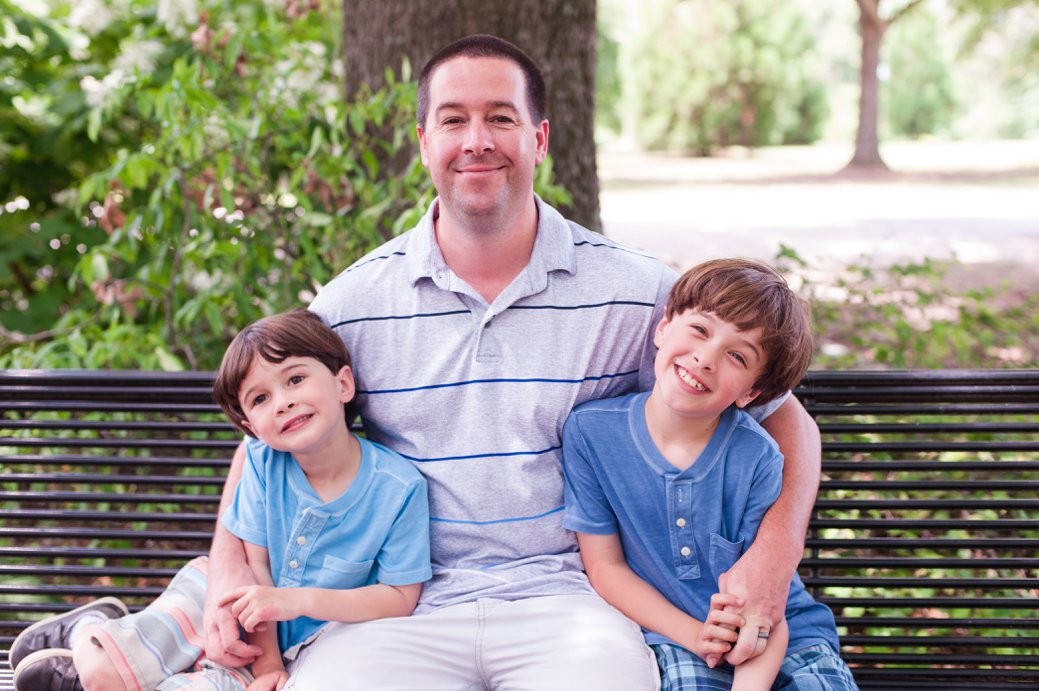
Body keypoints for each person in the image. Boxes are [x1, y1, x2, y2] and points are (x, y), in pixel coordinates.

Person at [203, 34, 823, 690]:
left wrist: (774, 556)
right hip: (400, 609)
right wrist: (227, 566)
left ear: (539, 139)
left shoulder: (635, 293)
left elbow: (787, 421)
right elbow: (269, 437)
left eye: (500, 117)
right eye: (453, 120)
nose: (476, 141)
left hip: (570, 607)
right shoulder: (353, 302)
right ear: (424, 143)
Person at [9, 309, 431, 691]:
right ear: (252, 427)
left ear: (343, 383)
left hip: (305, 653)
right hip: (215, 601)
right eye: (261, 399)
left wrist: (293, 610)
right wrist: (267, 663)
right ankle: (87, 629)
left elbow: (399, 596)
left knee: (114, 682)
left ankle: (99, 668)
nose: (283, 402)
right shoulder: (263, 462)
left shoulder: (398, 488)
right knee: (103, 675)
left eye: (295, 379)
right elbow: (254, 567)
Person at [562, 258, 858, 690]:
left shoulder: (757, 457)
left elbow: (766, 603)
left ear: (752, 392)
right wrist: (694, 635)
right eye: (700, 329)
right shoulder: (592, 433)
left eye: (736, 356)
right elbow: (606, 568)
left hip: (786, 639)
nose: (705, 358)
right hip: (676, 637)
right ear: (663, 328)